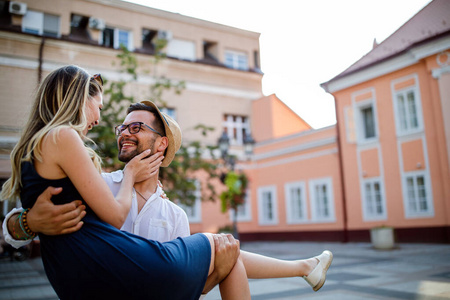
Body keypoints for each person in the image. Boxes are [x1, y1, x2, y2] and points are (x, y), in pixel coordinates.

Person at [2, 65, 333, 298]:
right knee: (220, 245)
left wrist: (209, 276)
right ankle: (304, 266)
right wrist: (27, 222)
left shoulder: (175, 215)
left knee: (226, 252)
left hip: (129, 282)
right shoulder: (100, 180)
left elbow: (187, 285)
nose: (117, 129)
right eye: (122, 128)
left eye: (137, 128)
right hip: (103, 280)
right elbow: (16, 225)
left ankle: (304, 266)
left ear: (161, 145)